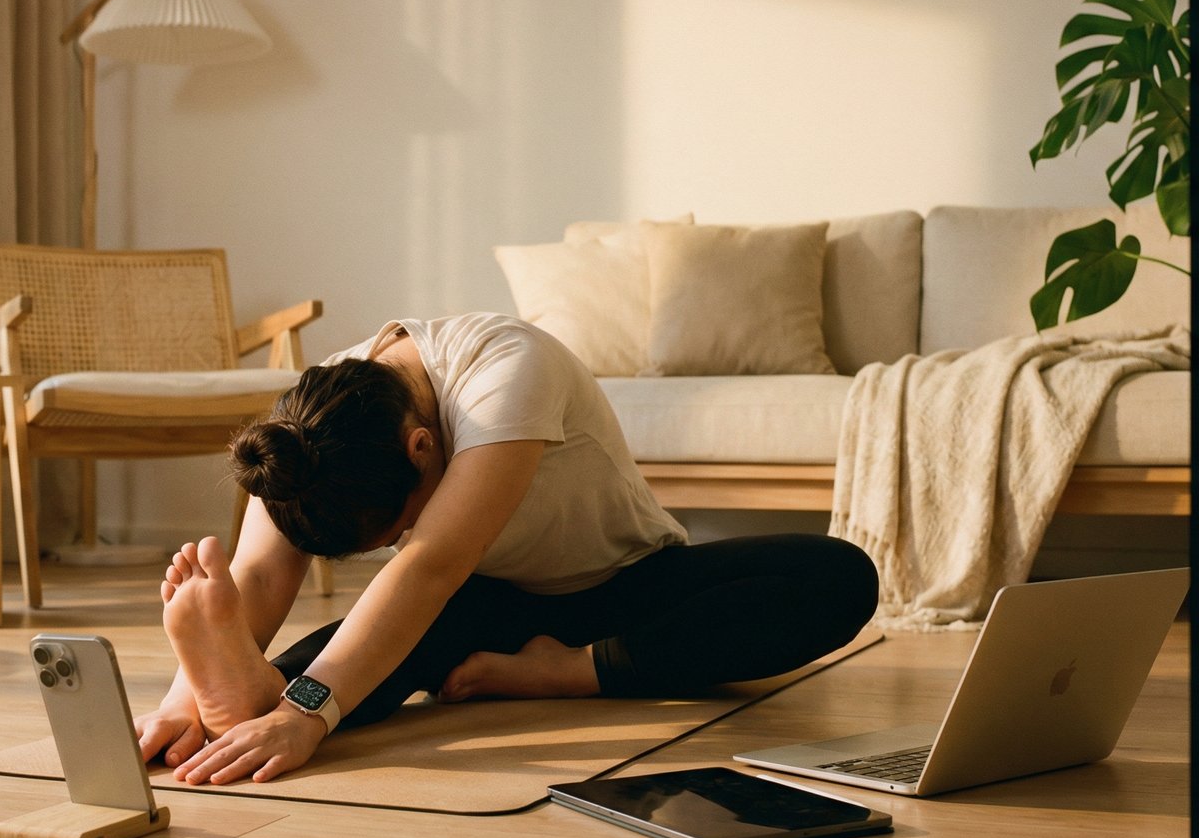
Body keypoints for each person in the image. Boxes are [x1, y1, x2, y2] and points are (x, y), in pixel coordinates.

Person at [135, 313, 879, 785]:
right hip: (482, 608)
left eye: (390, 529)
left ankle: (576, 672)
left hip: (628, 585)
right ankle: (247, 695)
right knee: (351, 667)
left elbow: (426, 563)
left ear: (423, 449)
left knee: (839, 576)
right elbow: (263, 568)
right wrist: (184, 702)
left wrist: (308, 716)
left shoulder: (502, 371)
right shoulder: (308, 427)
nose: (397, 541)